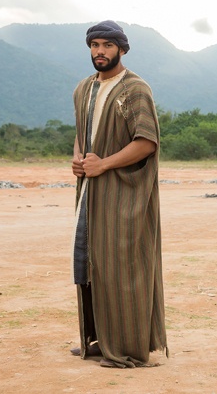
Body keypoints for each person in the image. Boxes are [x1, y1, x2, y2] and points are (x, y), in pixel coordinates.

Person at [70, 20, 167, 368]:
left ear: (121, 49)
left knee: (123, 265)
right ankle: (100, 340)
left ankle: (127, 347)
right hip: (90, 192)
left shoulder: (135, 89)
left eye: (107, 45)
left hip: (124, 193)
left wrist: (104, 164)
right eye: (94, 45)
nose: (100, 51)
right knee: (89, 264)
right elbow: (83, 132)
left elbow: (146, 143)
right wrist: (79, 157)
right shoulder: (83, 88)